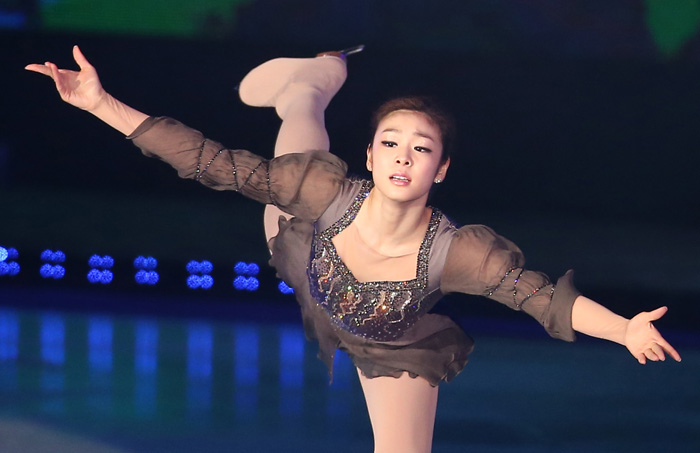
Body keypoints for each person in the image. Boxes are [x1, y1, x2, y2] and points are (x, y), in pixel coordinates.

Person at [26, 46, 681, 453]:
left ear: (442, 169)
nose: (402, 156)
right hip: (300, 243)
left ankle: (311, 86)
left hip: (389, 338)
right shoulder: (319, 187)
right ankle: (313, 80)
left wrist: (625, 328)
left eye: (420, 148)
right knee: (300, 135)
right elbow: (206, 160)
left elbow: (540, 296)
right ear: (369, 155)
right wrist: (98, 101)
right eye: (390, 143)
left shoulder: (456, 251)